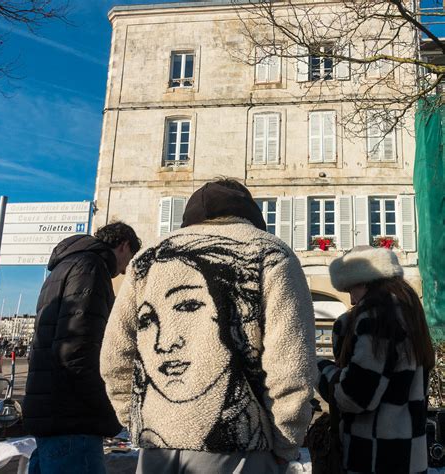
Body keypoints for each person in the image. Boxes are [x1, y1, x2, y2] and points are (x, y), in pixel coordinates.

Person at [101, 179, 316, 473]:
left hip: (156, 448)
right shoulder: (271, 253)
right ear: (249, 212)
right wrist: (286, 442)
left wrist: (136, 417)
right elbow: (291, 362)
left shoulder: (145, 260)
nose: (166, 343)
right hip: (240, 452)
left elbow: (115, 354)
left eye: (189, 305)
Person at [23, 221, 141, 474]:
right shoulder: (91, 268)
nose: (123, 272)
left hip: (52, 408)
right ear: (124, 246)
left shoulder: (64, 267)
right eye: (128, 261)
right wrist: (105, 408)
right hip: (73, 415)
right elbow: (79, 348)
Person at [317, 246, 435, 474]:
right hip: (409, 455)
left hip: (375, 458)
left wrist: (318, 368)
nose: (351, 300)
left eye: (350, 288)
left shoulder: (377, 315)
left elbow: (356, 396)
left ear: (362, 281)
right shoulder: (410, 311)